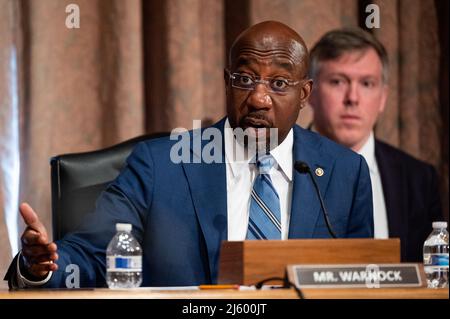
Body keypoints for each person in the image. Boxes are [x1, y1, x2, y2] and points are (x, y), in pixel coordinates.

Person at [5, 21, 373, 288]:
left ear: (305, 94)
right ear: (227, 82)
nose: (259, 99)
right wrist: (41, 267)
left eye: (278, 84)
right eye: (244, 80)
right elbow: (87, 255)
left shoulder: (344, 172)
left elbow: (362, 281)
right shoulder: (161, 166)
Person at [308, 28, 443, 262]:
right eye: (338, 81)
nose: (353, 98)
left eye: (367, 84)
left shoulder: (419, 180)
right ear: (309, 92)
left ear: (383, 98)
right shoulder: (276, 168)